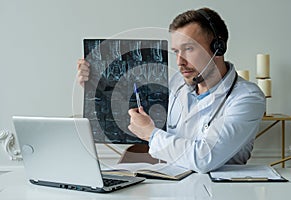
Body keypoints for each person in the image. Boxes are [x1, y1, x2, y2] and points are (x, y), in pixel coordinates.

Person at [77, 7, 266, 173]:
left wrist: (151, 134)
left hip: (219, 191)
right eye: (176, 51)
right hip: (172, 184)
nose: (179, 62)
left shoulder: (247, 98)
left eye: (189, 49)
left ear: (218, 48)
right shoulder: (177, 84)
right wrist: (95, 80)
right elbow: (129, 99)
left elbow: (204, 158)